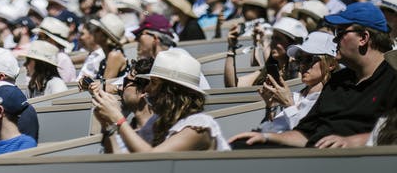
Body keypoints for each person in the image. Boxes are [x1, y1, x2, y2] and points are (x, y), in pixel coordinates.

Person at [230, 2, 397, 148]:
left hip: (359, 161)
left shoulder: (393, 79)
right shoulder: (337, 81)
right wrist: (266, 137)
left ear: (363, 38)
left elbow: (391, 134)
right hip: (313, 157)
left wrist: (354, 142)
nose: (334, 40)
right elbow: (305, 135)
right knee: (240, 146)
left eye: (340, 33)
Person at [91, 48, 230, 152]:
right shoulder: (157, 122)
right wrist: (108, 125)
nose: (147, 90)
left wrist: (118, 119)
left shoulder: (199, 126)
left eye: (153, 83)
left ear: (171, 90)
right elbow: (126, 163)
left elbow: (154, 161)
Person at [233, 31, 337, 141]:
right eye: (300, 59)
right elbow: (268, 129)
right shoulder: (296, 95)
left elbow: (307, 139)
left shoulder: (330, 100)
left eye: (309, 59)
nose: (302, 65)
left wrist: (289, 104)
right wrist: (270, 107)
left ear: (331, 64)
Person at [99, 58, 156, 153]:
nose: (120, 88)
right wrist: (107, 126)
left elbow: (147, 158)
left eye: (125, 83)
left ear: (144, 91)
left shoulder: (156, 128)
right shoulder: (133, 125)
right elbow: (115, 159)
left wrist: (117, 118)